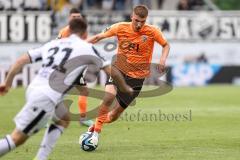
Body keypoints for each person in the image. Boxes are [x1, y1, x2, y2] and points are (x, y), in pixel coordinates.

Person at [0, 18, 132, 160]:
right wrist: (124, 88)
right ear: (85, 33)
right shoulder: (86, 48)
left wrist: (7, 83)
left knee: (63, 119)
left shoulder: (54, 43)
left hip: (36, 89)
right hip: (46, 97)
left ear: (68, 30)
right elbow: (110, 70)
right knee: (17, 138)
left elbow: (21, 60)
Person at [86, 4, 170, 142]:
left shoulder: (152, 31)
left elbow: (166, 45)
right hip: (119, 69)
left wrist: (162, 59)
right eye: (136, 20)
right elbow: (97, 37)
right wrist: (78, 47)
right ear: (132, 16)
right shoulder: (120, 27)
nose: (138, 24)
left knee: (114, 116)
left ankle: (96, 125)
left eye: (142, 22)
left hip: (137, 78)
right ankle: (96, 134)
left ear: (146, 19)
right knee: (109, 96)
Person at [58, 7, 93, 127]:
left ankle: (83, 118)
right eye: (74, 17)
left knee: (83, 91)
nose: (77, 19)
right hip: (66, 66)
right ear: (69, 18)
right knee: (58, 93)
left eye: (78, 17)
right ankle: (46, 119)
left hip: (77, 66)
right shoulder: (65, 32)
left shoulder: (83, 31)